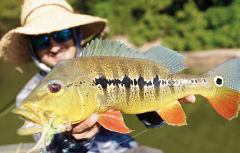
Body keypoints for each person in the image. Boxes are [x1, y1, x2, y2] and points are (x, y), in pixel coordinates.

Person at [0, 0, 195, 152]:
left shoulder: (108, 63)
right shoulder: (29, 96)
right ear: (32, 49)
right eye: (42, 40)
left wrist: (152, 107)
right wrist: (72, 140)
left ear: (76, 35)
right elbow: (52, 149)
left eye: (62, 35)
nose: (55, 46)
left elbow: (154, 124)